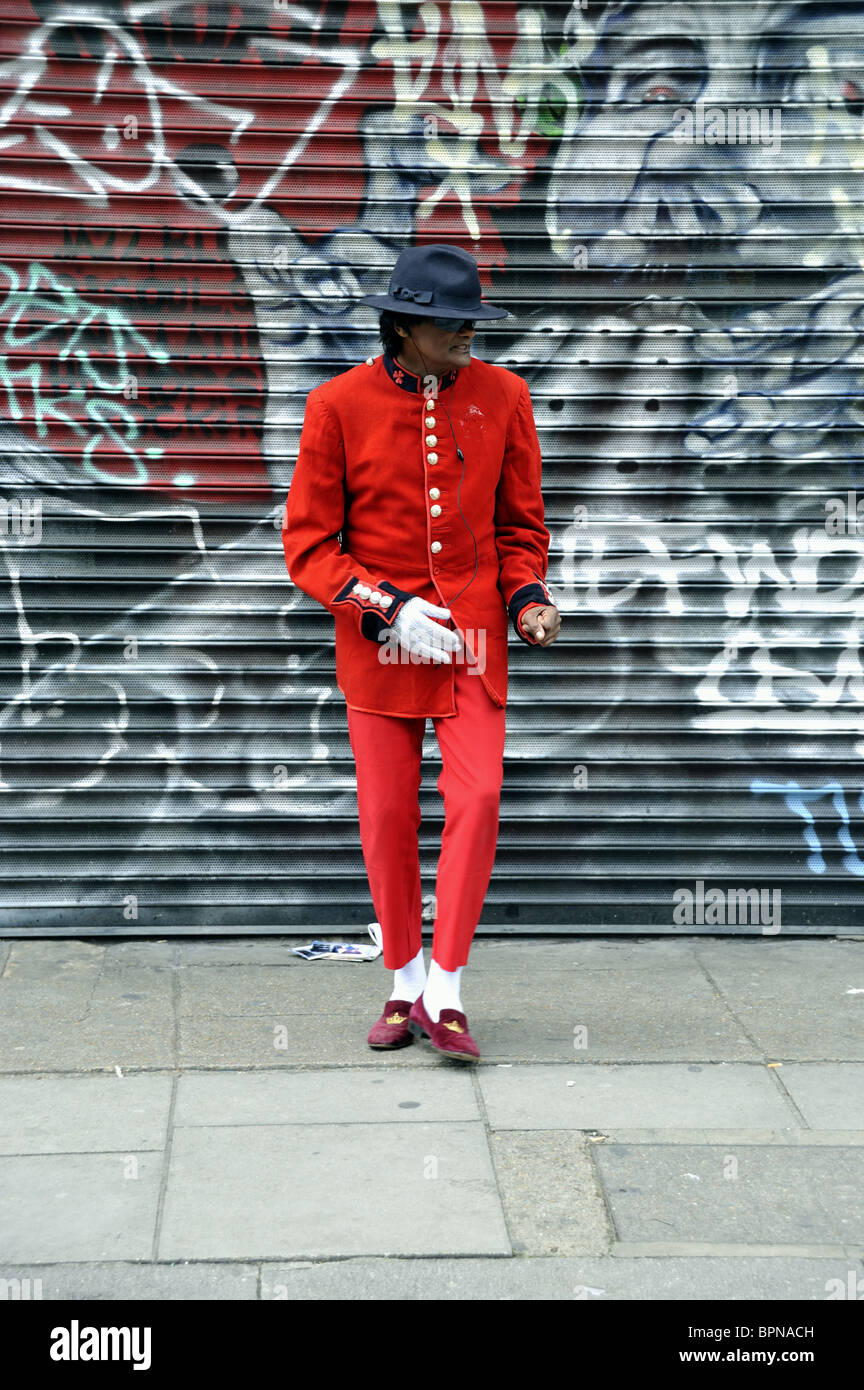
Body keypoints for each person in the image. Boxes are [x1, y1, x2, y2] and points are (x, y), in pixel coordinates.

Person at [281, 243, 561, 1062]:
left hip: (472, 636)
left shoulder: (506, 396)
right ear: (403, 327)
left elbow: (521, 527)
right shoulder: (337, 404)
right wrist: (386, 606)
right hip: (380, 645)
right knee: (389, 817)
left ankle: (448, 988)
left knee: (476, 800)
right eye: (449, 327)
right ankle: (403, 980)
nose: (466, 338)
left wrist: (529, 599)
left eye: (471, 323)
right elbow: (308, 547)